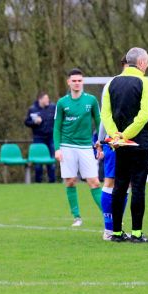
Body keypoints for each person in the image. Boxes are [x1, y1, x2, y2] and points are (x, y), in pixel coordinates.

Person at [100, 47, 148, 243]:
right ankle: (137, 234)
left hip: (119, 144)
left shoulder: (112, 82)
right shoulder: (145, 83)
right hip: (139, 142)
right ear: (140, 62)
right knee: (138, 187)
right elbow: (144, 114)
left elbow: (105, 114)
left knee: (120, 186)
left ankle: (115, 233)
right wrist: (127, 135)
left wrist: (117, 136)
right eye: (147, 62)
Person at [53, 68, 103, 227]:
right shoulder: (62, 103)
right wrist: (57, 148)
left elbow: (99, 121)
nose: (77, 83)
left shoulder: (91, 100)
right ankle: (77, 217)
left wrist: (100, 142)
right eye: (74, 80)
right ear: (69, 82)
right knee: (70, 181)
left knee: (94, 182)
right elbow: (57, 127)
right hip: (66, 146)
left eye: (79, 80)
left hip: (85, 147)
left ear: (83, 82)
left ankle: (109, 216)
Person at [96, 55, 130, 241]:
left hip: (133, 141)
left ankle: (117, 225)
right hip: (114, 141)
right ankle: (109, 229)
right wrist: (102, 141)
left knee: (127, 184)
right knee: (110, 182)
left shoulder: (142, 83)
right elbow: (105, 115)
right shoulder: (111, 84)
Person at [24, 92, 56, 183]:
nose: (48, 100)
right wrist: (34, 122)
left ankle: (52, 181)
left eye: (48, 99)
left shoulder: (53, 107)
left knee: (51, 160)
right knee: (38, 162)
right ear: (40, 99)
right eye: (46, 99)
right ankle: (38, 182)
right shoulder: (32, 109)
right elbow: (26, 122)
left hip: (50, 137)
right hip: (38, 138)